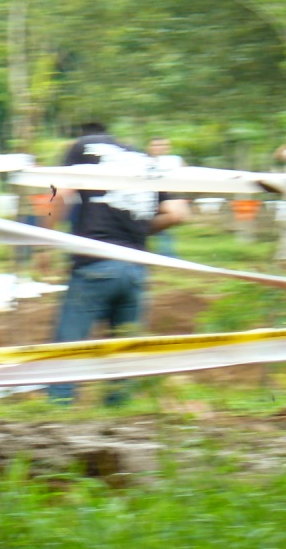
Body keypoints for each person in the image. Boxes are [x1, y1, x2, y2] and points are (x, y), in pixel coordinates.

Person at [45, 127, 190, 405]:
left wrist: (45, 240)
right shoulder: (146, 160)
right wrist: (133, 230)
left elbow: (59, 194)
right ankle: (118, 416)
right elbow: (177, 213)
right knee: (123, 351)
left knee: (67, 347)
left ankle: (57, 411)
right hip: (136, 266)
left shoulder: (83, 148)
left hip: (94, 263)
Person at [146, 137, 186, 257]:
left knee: (167, 223)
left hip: (168, 197)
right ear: (149, 148)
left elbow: (187, 174)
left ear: (167, 148)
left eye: (161, 145)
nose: (158, 148)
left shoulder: (175, 161)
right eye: (155, 145)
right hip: (148, 198)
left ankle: (168, 254)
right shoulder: (143, 160)